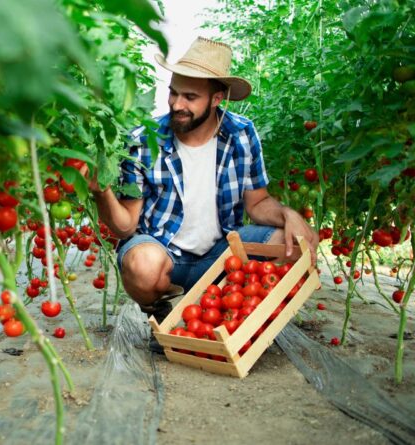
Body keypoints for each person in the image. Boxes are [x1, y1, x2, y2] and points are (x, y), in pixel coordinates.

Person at [88, 37, 318, 349]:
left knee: (290, 243)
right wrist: (102, 193)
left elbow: (258, 203)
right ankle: (162, 312)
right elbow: (127, 226)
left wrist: (289, 215)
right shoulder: (144, 140)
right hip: (165, 256)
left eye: (190, 97)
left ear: (216, 99)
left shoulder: (241, 133)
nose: (176, 104)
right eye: (173, 93)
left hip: (222, 256)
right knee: (141, 263)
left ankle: (231, 315)